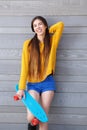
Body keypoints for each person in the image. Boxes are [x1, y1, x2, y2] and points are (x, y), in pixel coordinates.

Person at [16, 16, 64, 130]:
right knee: (31, 116)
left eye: (40, 24)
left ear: (46, 25)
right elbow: (24, 67)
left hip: (48, 82)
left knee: (43, 117)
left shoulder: (52, 42)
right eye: (35, 26)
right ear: (33, 29)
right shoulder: (28, 44)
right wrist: (21, 88)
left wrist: (46, 32)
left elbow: (60, 25)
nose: (38, 27)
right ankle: (31, 124)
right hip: (33, 84)